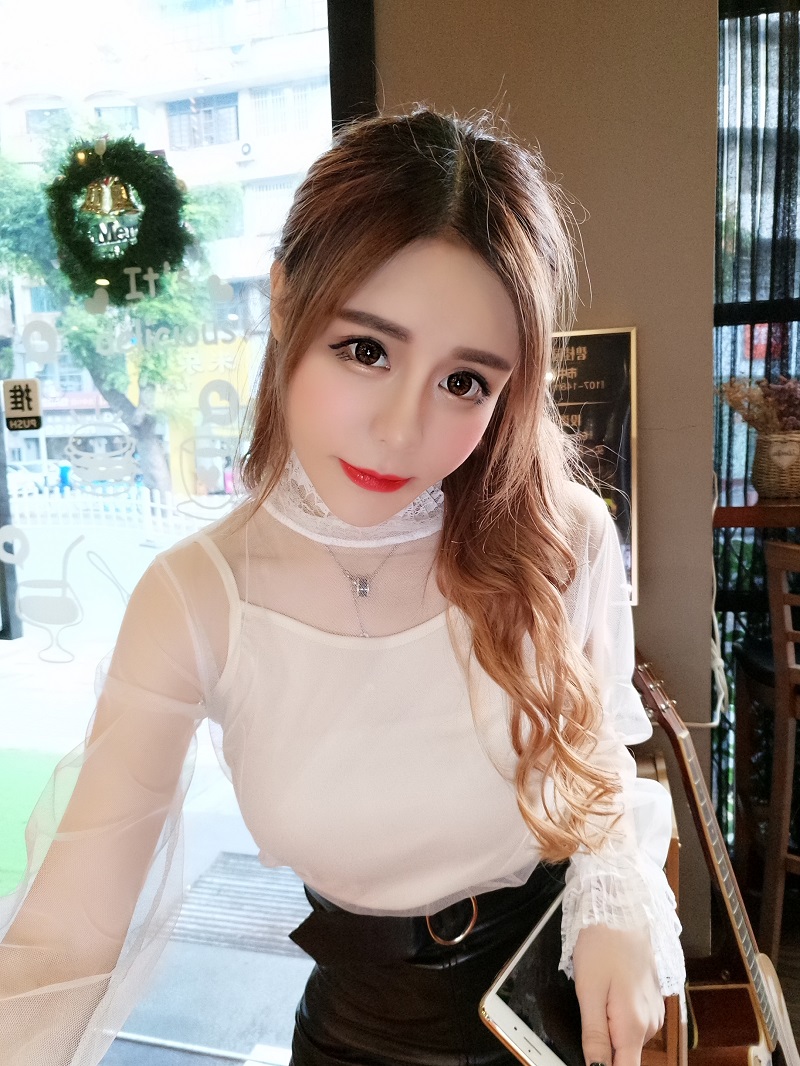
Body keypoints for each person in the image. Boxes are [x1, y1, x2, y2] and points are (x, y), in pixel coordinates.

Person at [0, 108, 684, 1066]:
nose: (401, 431)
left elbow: (600, 740)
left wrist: (612, 899)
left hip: (543, 1014)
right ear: (286, 303)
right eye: (367, 350)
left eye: (465, 382)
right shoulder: (197, 600)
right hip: (353, 1032)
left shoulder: (559, 535)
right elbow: (69, 933)